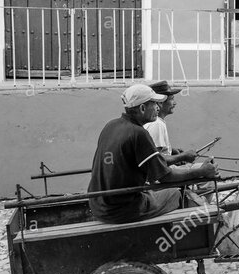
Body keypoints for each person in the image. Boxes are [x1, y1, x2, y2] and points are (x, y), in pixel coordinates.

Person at [87, 84, 217, 224]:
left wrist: (179, 157)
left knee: (159, 191)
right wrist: (201, 171)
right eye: (154, 103)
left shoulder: (110, 125)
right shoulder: (138, 133)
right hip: (122, 209)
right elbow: (165, 176)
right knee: (177, 193)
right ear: (142, 108)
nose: (158, 107)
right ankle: (186, 238)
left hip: (97, 205)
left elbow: (151, 163)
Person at [144, 80, 196, 166]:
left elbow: (158, 154)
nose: (175, 103)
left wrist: (171, 151)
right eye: (172, 99)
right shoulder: (157, 124)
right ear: (160, 102)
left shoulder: (157, 122)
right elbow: (155, 160)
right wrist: (182, 157)